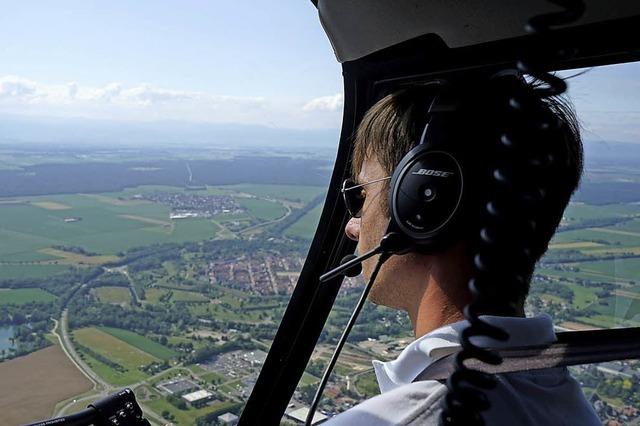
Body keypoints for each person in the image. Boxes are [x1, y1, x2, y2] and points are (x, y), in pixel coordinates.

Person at [326, 84, 600, 425]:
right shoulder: (568, 405)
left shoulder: (399, 420)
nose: (352, 227)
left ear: (423, 200)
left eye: (360, 196)